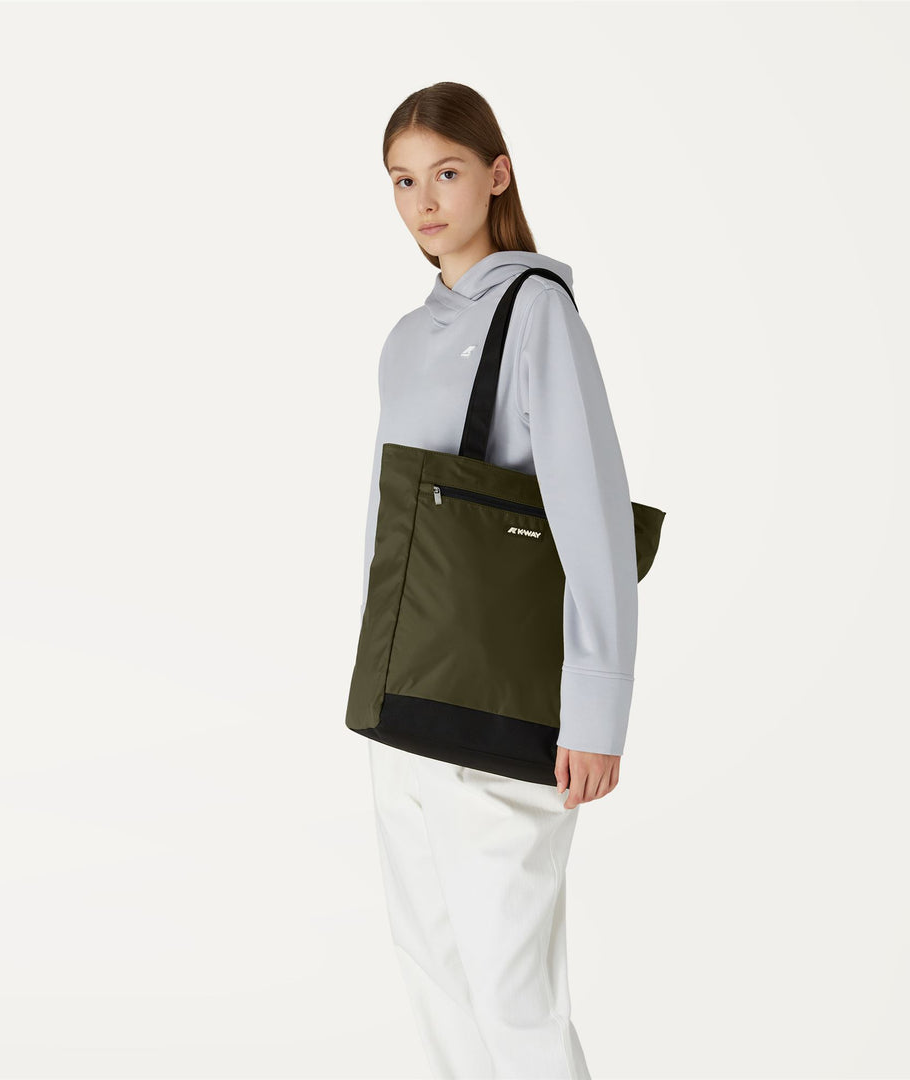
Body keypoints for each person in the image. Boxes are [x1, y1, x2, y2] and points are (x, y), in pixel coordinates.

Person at [359, 82, 639, 1080]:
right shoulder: (407, 337)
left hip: (500, 709)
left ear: (497, 175)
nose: (425, 200)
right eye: (403, 180)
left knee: (513, 996)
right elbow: (391, 536)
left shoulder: (537, 313)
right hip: (405, 702)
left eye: (446, 172)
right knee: (434, 976)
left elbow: (591, 511)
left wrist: (595, 708)